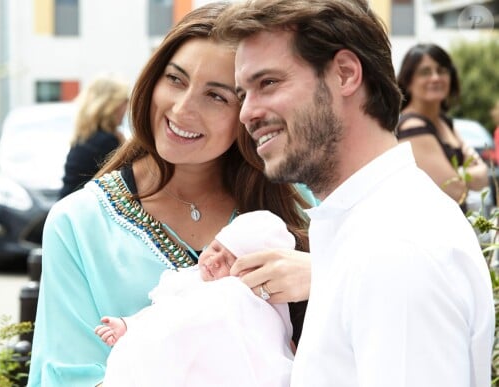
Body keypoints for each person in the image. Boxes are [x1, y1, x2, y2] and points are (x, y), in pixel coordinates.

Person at [28, 3, 312, 386]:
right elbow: (66, 377)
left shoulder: (294, 209)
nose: (181, 109)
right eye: (175, 79)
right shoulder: (77, 224)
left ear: (248, 112)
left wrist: (322, 279)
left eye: (216, 96)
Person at [215, 1, 495, 386]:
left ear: (345, 74)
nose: (247, 112)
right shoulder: (368, 225)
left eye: (268, 83)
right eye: (242, 92)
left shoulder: (396, 245)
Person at [95, 210, 295, 387]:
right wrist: (128, 325)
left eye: (228, 262)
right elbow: (162, 316)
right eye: (215, 249)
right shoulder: (188, 280)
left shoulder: (241, 300)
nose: (214, 261)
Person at [396, 43, 489, 212]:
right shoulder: (413, 127)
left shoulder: (445, 122)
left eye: (442, 70)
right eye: (425, 72)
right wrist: (470, 173)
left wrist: (461, 175)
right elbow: (454, 190)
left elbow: (483, 177)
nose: (435, 77)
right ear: (408, 81)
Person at [60, 73, 129, 198]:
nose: (127, 107)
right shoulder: (105, 141)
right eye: (124, 100)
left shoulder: (87, 136)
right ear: (111, 104)